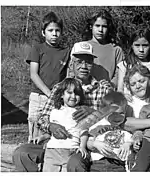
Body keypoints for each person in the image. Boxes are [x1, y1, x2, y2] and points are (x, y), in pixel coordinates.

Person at [12, 41, 112, 172]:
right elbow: (43, 118)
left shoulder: (103, 90)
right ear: (72, 64)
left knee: (74, 162)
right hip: (55, 144)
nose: (83, 66)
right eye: (79, 62)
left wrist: (93, 113)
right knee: (22, 153)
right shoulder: (60, 88)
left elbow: (113, 121)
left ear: (92, 64)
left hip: (84, 145)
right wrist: (50, 126)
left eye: (88, 62)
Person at [25, 11, 70, 142]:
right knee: (35, 135)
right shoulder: (37, 48)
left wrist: (59, 96)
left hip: (57, 100)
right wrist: (49, 93)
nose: (54, 33)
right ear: (44, 32)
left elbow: (67, 76)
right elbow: (33, 74)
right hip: (38, 97)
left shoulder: (66, 52)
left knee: (52, 135)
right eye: (50, 30)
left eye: (57, 30)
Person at [67, 91, 135, 172]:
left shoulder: (125, 127)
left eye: (121, 113)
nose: (118, 117)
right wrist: (96, 144)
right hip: (98, 163)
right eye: (113, 113)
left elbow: (132, 138)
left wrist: (127, 144)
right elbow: (88, 142)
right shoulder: (99, 125)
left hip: (118, 165)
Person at [32, 78, 89, 172]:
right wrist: (42, 137)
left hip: (71, 149)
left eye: (77, 93)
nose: (73, 96)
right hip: (52, 151)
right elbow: (52, 133)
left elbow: (84, 132)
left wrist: (82, 146)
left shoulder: (80, 112)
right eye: (69, 93)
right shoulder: (55, 111)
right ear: (62, 95)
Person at [69, 9, 124, 88]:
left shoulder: (116, 49)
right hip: (85, 91)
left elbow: (119, 73)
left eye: (104, 26)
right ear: (91, 26)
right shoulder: (83, 47)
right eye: (97, 25)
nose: (100, 30)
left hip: (107, 92)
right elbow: (72, 69)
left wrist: (112, 84)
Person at [117, 28, 150, 97]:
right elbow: (120, 89)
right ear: (132, 46)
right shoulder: (124, 65)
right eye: (137, 45)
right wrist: (124, 96)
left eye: (145, 45)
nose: (141, 50)